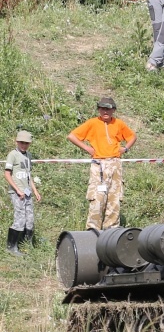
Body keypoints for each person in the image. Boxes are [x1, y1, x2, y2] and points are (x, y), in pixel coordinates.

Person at [68, 97, 137, 231]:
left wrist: (125, 148)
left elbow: (132, 136)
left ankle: (111, 232)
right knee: (97, 198)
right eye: (102, 108)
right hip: (99, 164)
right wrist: (87, 148)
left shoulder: (119, 123)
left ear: (113, 110)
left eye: (108, 109)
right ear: (99, 109)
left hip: (115, 164)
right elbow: (72, 136)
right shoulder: (92, 123)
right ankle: (93, 232)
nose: (105, 111)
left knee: (114, 198)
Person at [4, 131, 41, 255]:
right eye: (22, 142)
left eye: (26, 143)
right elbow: (7, 174)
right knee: (19, 219)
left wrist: (35, 191)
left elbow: (28, 175)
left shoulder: (28, 155)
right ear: (17, 141)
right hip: (17, 192)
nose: (24, 145)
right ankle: (11, 247)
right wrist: (18, 190)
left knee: (29, 219)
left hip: (27, 193)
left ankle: (27, 245)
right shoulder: (13, 155)